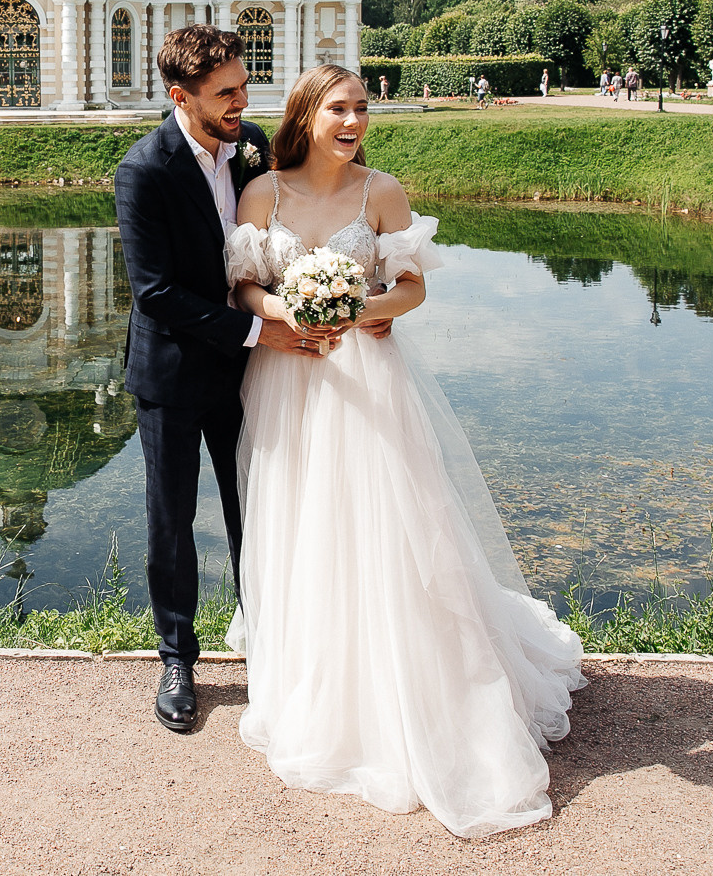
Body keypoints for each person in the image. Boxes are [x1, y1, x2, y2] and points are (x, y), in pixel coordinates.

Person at [224, 65, 584, 837]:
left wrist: (363, 307)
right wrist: (289, 306)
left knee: (388, 526)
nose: (354, 120)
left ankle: (415, 688)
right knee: (302, 524)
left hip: (367, 373)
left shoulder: (381, 191)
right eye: (340, 108)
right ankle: (319, 681)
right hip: (290, 375)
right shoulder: (263, 193)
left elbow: (413, 286)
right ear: (307, 113)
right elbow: (245, 289)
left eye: (363, 107)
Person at [113, 25, 321, 736]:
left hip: (245, 373)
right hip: (172, 374)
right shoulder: (144, 169)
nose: (242, 101)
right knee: (171, 522)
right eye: (225, 92)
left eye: (242, 85)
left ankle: (270, 648)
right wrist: (264, 329)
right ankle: (177, 659)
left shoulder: (255, 144)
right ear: (182, 96)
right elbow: (155, 292)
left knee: (257, 512)